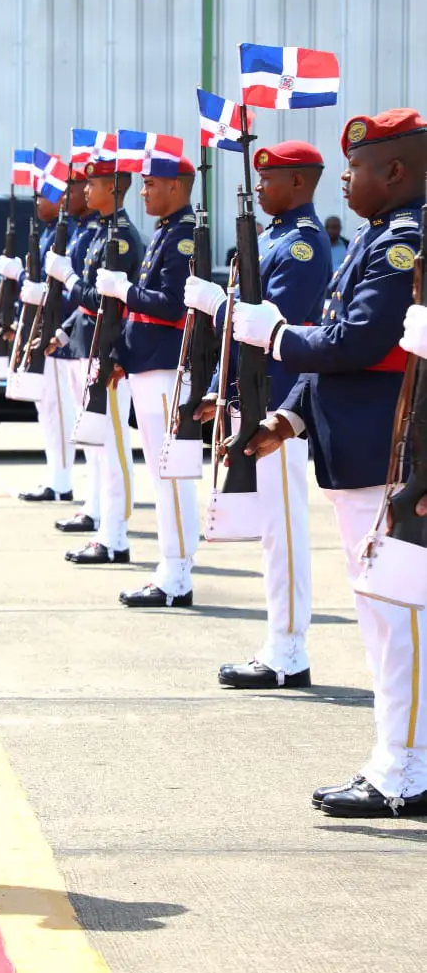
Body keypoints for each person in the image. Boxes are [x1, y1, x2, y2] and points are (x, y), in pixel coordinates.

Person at [236, 108, 425, 817]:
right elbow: (346, 344)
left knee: (396, 617)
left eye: (357, 170)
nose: (344, 182)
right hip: (362, 451)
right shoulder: (379, 237)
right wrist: (290, 416)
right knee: (387, 617)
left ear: (395, 172)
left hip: (389, 457)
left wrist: (276, 337)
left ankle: (403, 772)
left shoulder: (403, 240)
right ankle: (400, 758)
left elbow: (352, 342)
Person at [186, 142, 332, 685]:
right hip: (255, 395)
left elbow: (275, 327)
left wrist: (214, 303)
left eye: (271, 179)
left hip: (282, 402)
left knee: (284, 531)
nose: (261, 186)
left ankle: (288, 653)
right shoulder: (272, 238)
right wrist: (218, 391)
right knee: (272, 531)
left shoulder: (303, 247)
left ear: (299, 183)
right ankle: (279, 643)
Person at [101, 155, 199, 608]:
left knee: (170, 477)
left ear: (177, 188)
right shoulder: (166, 231)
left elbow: (170, 306)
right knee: (163, 476)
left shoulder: (182, 236)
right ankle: (171, 570)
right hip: (147, 366)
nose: (142, 192)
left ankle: (176, 577)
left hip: (163, 369)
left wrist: (122, 289)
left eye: (151, 184)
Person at [50, 159, 142, 566]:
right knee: (98, 445)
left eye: (95, 183)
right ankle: (102, 522)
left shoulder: (120, 237)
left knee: (114, 450)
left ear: (115, 186)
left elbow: (104, 301)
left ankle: (115, 537)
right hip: (91, 345)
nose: (86, 191)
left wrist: (68, 279)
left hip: (110, 352)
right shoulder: (104, 232)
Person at [0, 189, 74, 501]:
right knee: (47, 412)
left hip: (59, 335)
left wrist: (22, 278)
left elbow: (63, 292)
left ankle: (62, 482)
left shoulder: (65, 234)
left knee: (58, 413)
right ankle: (55, 477)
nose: (39, 202)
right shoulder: (46, 235)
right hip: (42, 331)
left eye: (46, 197)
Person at [47, 177, 106, 536]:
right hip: (79, 339)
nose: (78, 195)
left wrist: (66, 277)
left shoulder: (106, 233)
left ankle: (104, 517)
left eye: (85, 186)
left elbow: (94, 297)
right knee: (86, 434)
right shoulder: (90, 232)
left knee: (101, 442)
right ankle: (94, 506)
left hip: (96, 346)